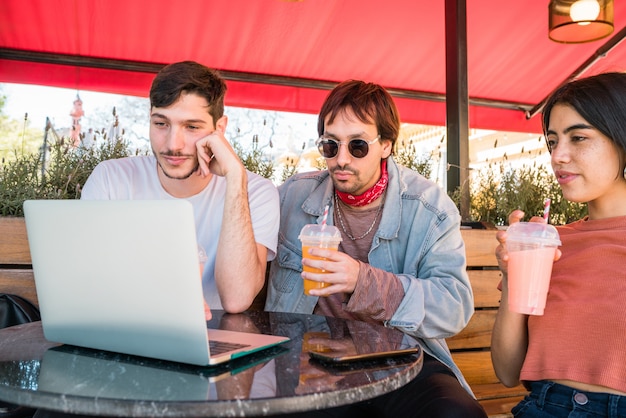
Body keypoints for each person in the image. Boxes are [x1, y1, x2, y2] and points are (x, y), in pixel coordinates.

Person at [266, 80, 487, 417]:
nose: (340, 159)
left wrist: (363, 281)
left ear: (386, 144)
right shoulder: (292, 198)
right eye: (330, 145)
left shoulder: (428, 208)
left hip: (400, 362)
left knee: (456, 414)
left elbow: (452, 307)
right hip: (312, 363)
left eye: (357, 146)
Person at [81, 61, 279, 315]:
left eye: (192, 127)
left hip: (215, 339)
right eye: (161, 124)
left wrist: (234, 177)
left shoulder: (257, 192)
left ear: (219, 129)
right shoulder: (110, 179)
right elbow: (91, 285)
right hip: (126, 333)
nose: (173, 144)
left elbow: (236, 299)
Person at [491, 72, 626, 417]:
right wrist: (512, 277)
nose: (558, 156)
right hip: (543, 406)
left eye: (578, 137)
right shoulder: (549, 245)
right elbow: (507, 372)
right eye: (552, 142)